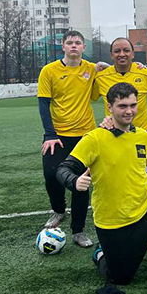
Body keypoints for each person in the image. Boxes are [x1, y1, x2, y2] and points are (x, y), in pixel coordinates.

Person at [56, 82, 147, 294]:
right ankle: (101, 253)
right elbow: (63, 169)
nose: (129, 111)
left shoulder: (141, 135)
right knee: (121, 278)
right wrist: (74, 181)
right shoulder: (95, 138)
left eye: (133, 105)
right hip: (114, 218)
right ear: (110, 107)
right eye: (122, 106)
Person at [37, 30, 95, 248]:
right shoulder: (49, 71)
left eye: (77, 42)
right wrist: (50, 134)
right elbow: (44, 104)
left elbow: (112, 73)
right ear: (63, 46)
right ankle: (59, 210)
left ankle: (78, 231)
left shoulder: (91, 69)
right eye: (69, 42)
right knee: (51, 173)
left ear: (83, 47)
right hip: (58, 135)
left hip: (85, 135)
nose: (73, 46)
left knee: (81, 181)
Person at [92, 38, 147, 131]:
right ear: (111, 55)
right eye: (117, 51)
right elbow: (93, 97)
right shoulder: (100, 77)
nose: (122, 54)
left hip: (141, 132)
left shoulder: (146, 74)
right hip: (113, 133)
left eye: (126, 50)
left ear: (133, 54)